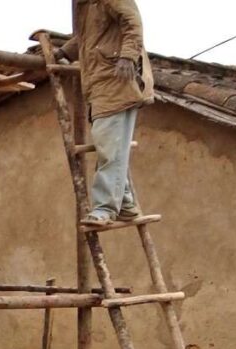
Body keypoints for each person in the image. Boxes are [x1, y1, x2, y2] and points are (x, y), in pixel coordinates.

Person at [55, 0, 155, 226]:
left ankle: (105, 208)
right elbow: (87, 39)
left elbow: (133, 21)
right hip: (101, 84)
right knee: (110, 146)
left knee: (109, 147)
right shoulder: (87, 6)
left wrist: (128, 56)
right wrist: (63, 52)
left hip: (115, 82)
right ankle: (127, 205)